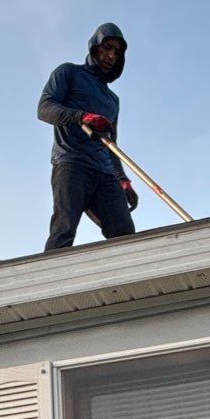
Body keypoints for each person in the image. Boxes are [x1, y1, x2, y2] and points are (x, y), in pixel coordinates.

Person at [37, 22, 139, 251]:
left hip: (104, 172)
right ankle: (50, 281)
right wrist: (81, 116)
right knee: (64, 228)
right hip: (71, 163)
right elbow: (44, 108)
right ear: (94, 47)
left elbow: (112, 146)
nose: (111, 56)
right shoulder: (68, 72)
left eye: (117, 52)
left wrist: (122, 179)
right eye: (107, 47)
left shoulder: (113, 100)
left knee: (125, 235)